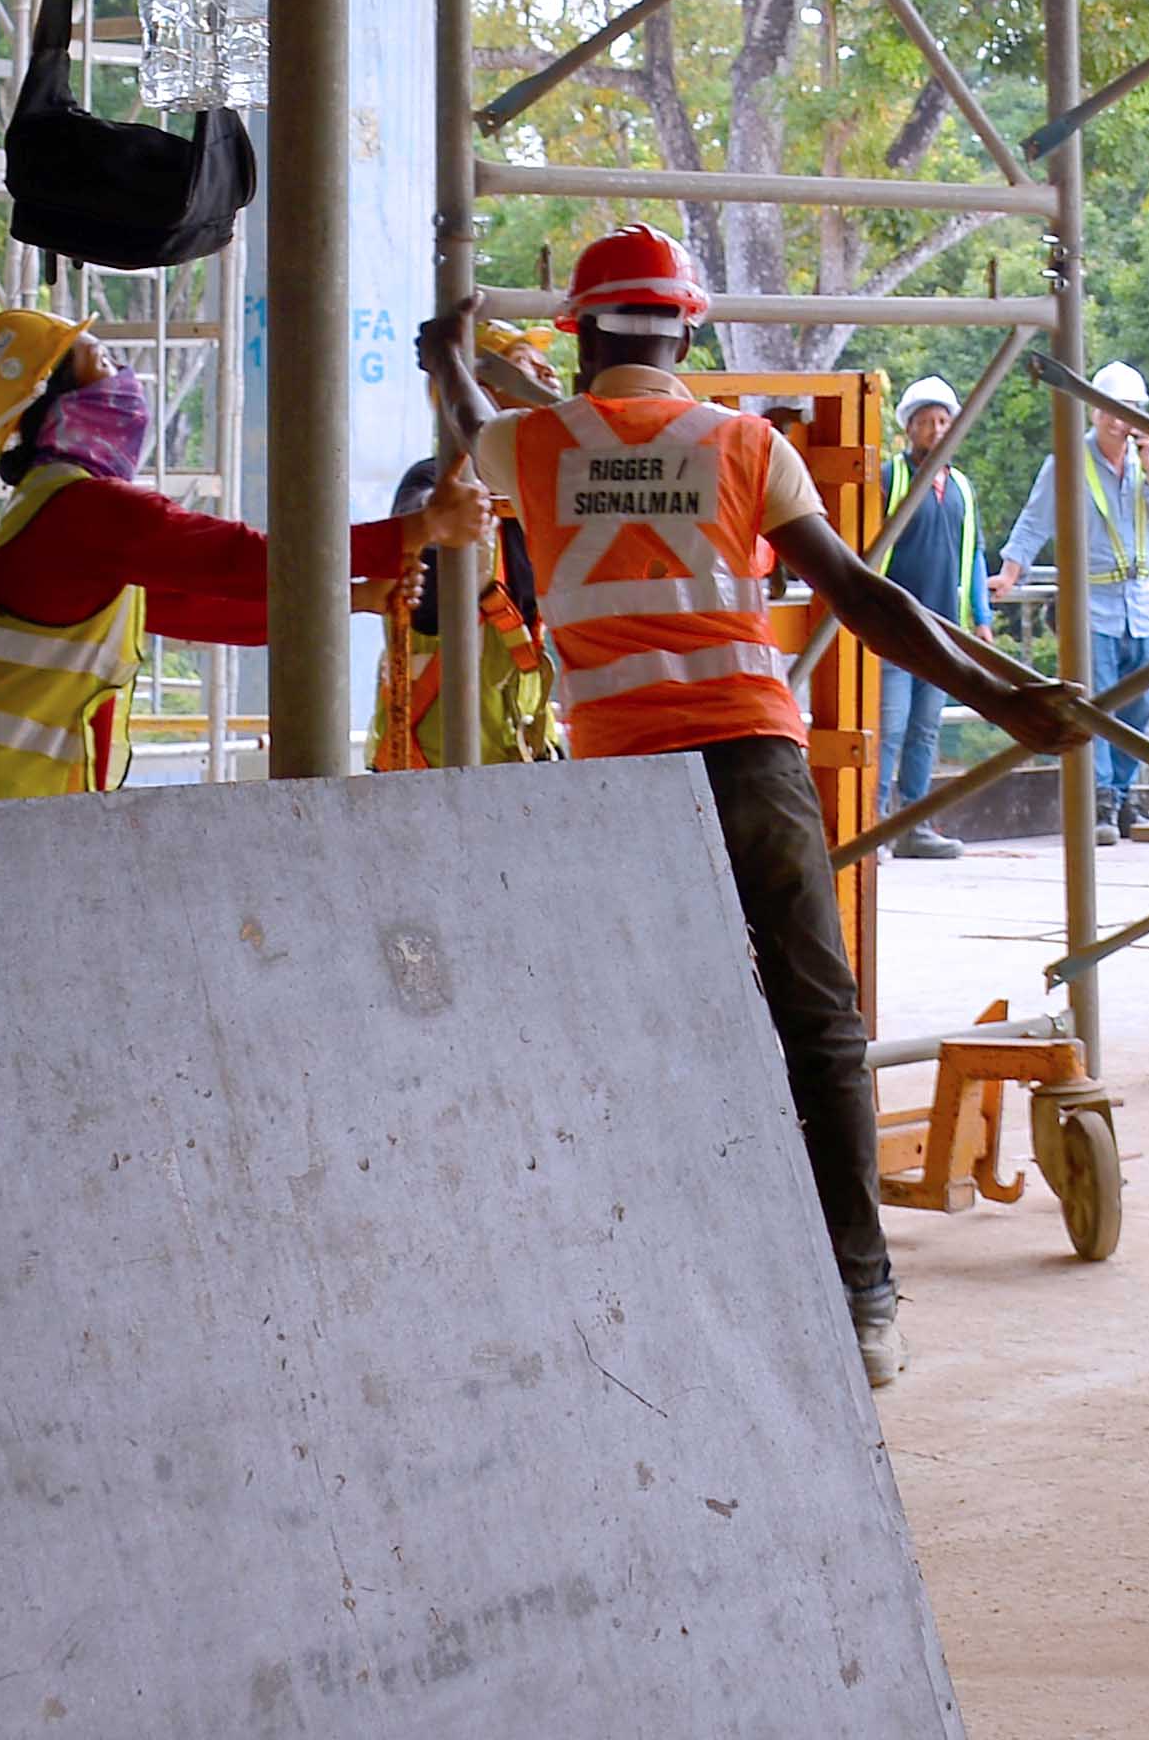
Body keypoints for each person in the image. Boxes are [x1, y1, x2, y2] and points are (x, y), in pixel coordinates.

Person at [440, 224, 1087, 1392]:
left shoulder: (530, 445)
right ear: (688, 327)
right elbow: (866, 597)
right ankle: (863, 1297)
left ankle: (668, 1286)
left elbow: (478, 428)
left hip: (618, 780)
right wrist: (1004, 694)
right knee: (821, 1029)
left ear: (582, 332)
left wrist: (451, 354)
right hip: (751, 759)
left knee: (642, 1031)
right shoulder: (742, 442)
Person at [0, 307, 461, 801]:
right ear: (52, 396)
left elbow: (207, 607)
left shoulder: (48, 518)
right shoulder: (81, 512)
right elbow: (243, 561)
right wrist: (417, 527)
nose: (124, 378)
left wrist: (356, 596)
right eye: (101, 361)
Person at [995, 361, 1149, 839]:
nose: (1119, 422)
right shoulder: (1068, 460)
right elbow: (1034, 521)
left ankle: (1125, 796)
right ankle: (1100, 801)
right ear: (1093, 413)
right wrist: (1009, 573)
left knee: (1143, 702)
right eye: (1110, 412)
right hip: (1093, 602)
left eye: (1128, 412)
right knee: (1097, 704)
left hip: (1142, 603)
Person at [363, 437, 557, 770]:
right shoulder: (433, 479)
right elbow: (416, 512)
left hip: (523, 756)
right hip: (426, 765)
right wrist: (439, 514)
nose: (548, 383)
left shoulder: (534, 495)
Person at [868, 377, 982, 857]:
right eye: (926, 422)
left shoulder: (959, 487)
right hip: (895, 627)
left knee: (925, 728)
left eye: (944, 421)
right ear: (909, 429)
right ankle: (871, 826)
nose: (937, 430)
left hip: (942, 629)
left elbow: (972, 554)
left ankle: (916, 824)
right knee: (888, 727)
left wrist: (981, 616)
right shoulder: (891, 478)